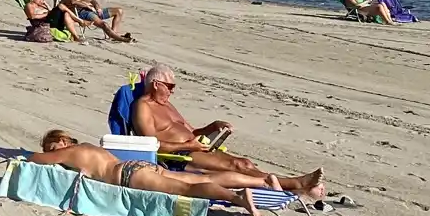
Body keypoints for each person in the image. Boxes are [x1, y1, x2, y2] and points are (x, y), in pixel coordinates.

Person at [32, 130, 324, 216]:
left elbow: (36, 158)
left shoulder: (68, 153)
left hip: (128, 176)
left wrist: (42, 155)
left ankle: (238, 199)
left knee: (189, 190)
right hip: (142, 167)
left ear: (60, 142)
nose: (55, 149)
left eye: (54, 144)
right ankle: (282, 184)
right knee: (202, 179)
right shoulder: (84, 146)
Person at [130, 66, 309, 184]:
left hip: (195, 148)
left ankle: (289, 185)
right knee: (239, 166)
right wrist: (187, 145)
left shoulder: (166, 105)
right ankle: (294, 183)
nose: (172, 90)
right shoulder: (143, 107)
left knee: (244, 163)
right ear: (155, 85)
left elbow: (192, 131)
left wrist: (213, 127)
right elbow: (150, 144)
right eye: (169, 86)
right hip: (179, 156)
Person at [53, 0, 132, 43]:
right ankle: (121, 39)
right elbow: (74, 2)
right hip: (84, 13)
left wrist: (97, 6)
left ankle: (113, 34)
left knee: (119, 11)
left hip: (93, 10)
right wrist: (87, 6)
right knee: (103, 24)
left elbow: (91, 0)